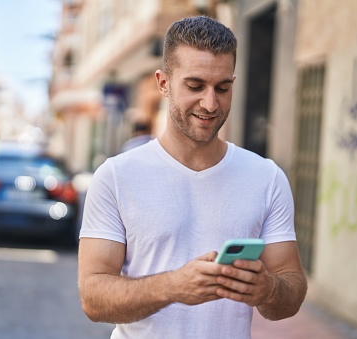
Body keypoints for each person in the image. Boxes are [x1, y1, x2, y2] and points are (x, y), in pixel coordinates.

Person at [77, 16, 307, 339]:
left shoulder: (266, 178)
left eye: (222, 88)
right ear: (164, 83)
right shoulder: (115, 177)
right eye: (195, 86)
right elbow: (93, 297)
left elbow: (292, 287)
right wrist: (172, 286)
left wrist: (267, 290)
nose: (210, 103)